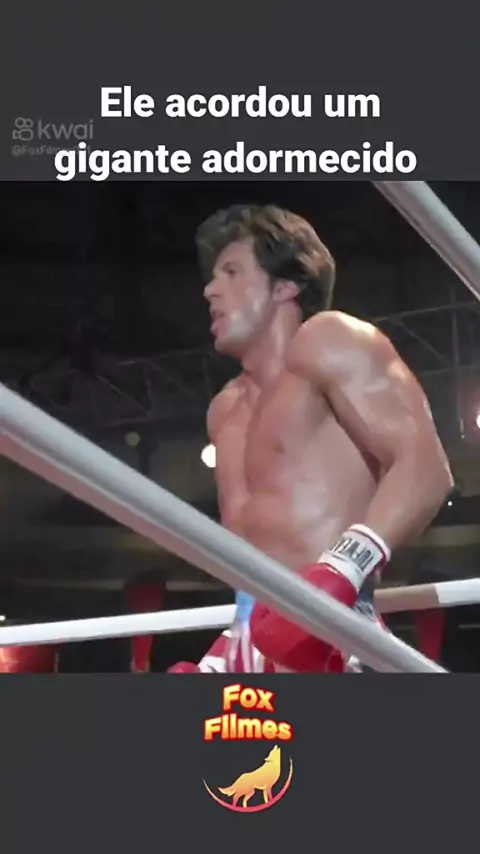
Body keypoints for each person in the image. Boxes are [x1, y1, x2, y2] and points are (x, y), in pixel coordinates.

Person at [168, 203, 453, 674]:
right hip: (254, 636)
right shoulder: (224, 409)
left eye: (232, 272)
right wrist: (228, 650)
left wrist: (340, 572)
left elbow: (426, 469)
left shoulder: (330, 340)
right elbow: (251, 550)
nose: (210, 290)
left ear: (285, 286)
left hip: (335, 629)